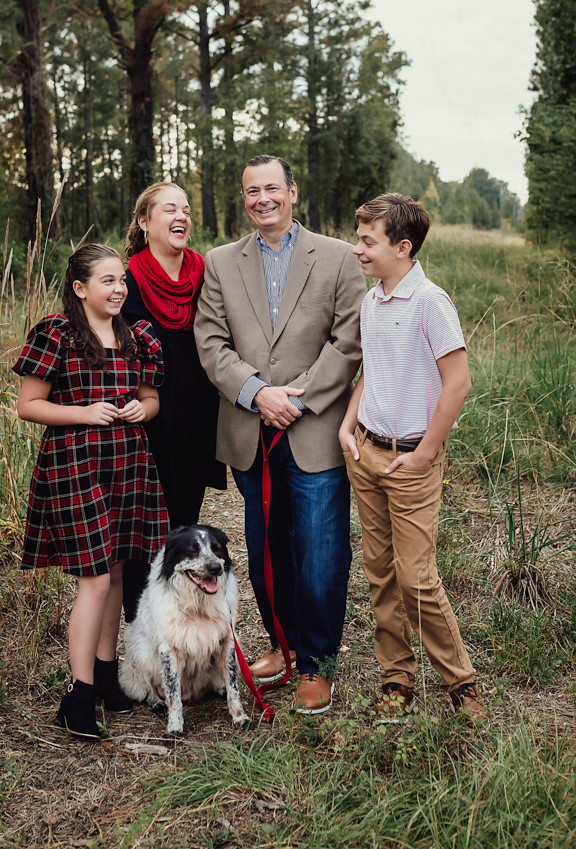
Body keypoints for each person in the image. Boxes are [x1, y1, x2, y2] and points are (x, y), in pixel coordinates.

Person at [195, 154, 367, 715]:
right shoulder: (220, 263)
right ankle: (283, 645)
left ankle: (317, 664)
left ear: (293, 192)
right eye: (251, 191)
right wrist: (257, 393)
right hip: (251, 430)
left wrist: (296, 398)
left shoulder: (339, 258)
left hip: (312, 429)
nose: (261, 199)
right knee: (269, 546)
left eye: (272, 188)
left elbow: (347, 342)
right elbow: (211, 342)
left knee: (320, 551)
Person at [338, 193, 485, 720]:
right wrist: (347, 423)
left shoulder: (431, 303)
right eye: (359, 238)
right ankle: (396, 680)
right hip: (368, 453)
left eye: (367, 241)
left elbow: (458, 384)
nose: (358, 249)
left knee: (416, 577)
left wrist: (424, 454)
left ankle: (461, 684)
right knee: (379, 572)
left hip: (410, 461)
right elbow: (370, 373)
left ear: (402, 248)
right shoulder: (371, 300)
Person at [13, 243, 168, 740]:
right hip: (75, 465)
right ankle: (77, 696)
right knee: (96, 579)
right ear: (80, 288)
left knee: (118, 569)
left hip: (127, 463)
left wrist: (143, 410)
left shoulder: (137, 336)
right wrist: (84, 412)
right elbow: (29, 404)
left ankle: (106, 675)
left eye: (122, 280)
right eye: (107, 280)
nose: (119, 288)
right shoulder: (57, 334)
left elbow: (151, 397)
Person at [120, 183, 227, 622]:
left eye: (186, 208)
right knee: (139, 532)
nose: (182, 216)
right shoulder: (123, 281)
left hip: (197, 416)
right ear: (144, 221)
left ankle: (180, 625)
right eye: (170, 210)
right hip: (144, 419)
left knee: (184, 524)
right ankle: (138, 626)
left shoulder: (207, 273)